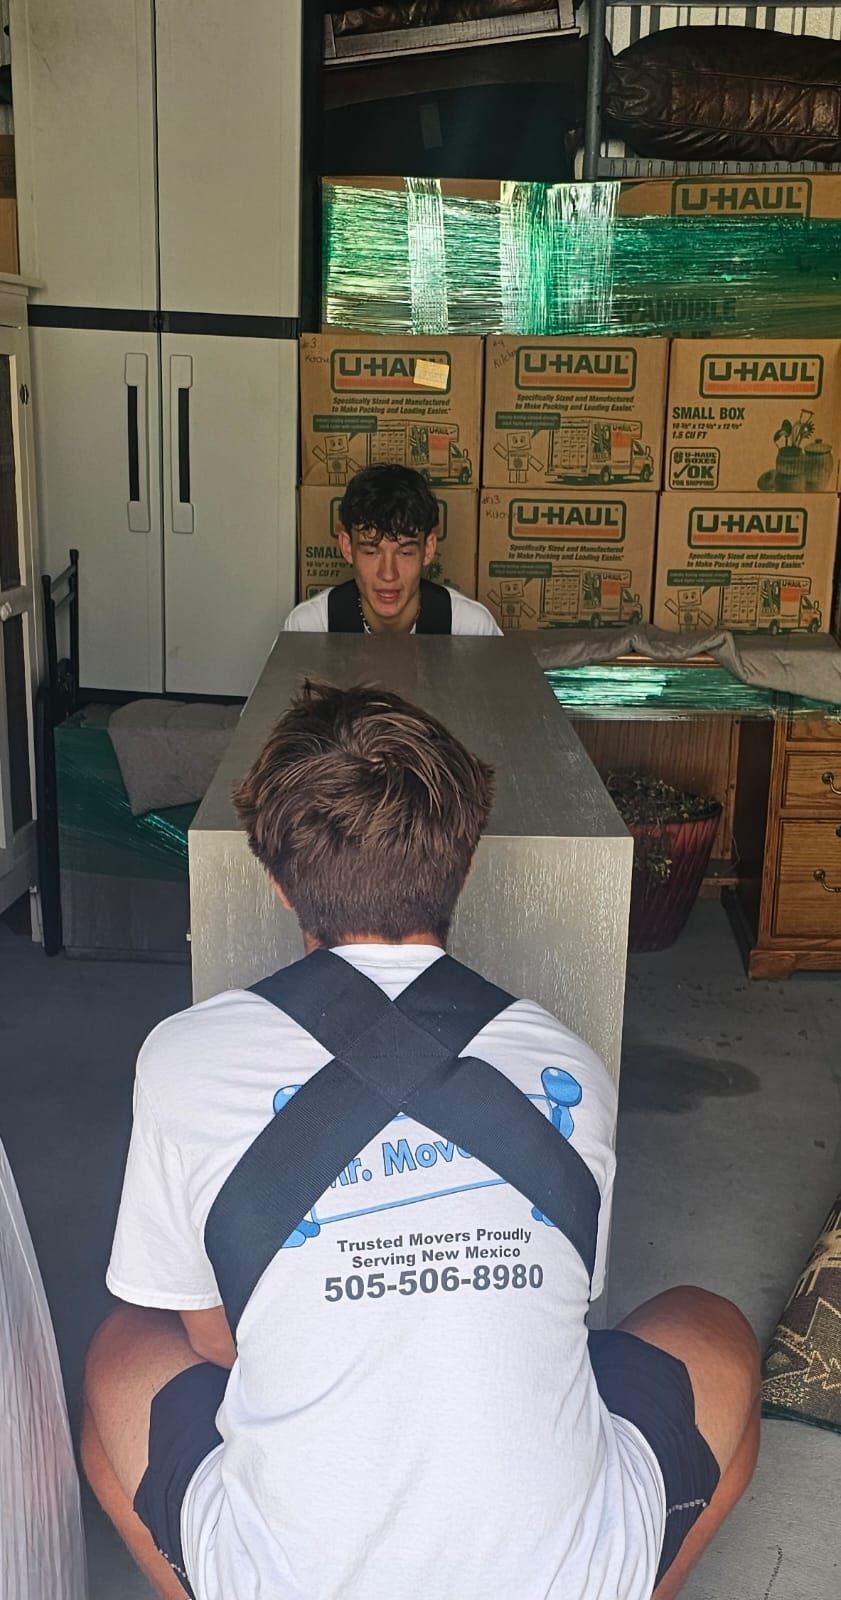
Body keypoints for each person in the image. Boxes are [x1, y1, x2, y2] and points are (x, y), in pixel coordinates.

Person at [83, 682, 759, 1600]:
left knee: (122, 1344)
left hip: (290, 1579)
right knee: (712, 1330)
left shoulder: (184, 1060)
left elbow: (213, 1343)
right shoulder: (568, 1063)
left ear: (277, 882)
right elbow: (571, 1312)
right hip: (564, 1578)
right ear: (463, 865)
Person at [283, 462, 502, 635]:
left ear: (428, 548)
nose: (388, 574)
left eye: (405, 552)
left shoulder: (470, 628)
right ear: (347, 547)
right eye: (371, 551)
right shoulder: (310, 627)